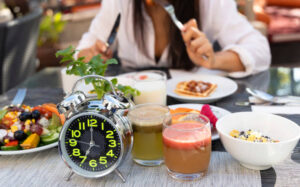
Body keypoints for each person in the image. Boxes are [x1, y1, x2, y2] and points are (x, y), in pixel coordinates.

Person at [76, 0, 271, 78]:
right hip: (133, 105)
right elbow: (86, 48)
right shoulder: (119, 2)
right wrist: (91, 54)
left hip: (194, 104)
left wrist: (214, 60)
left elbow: (260, 50)